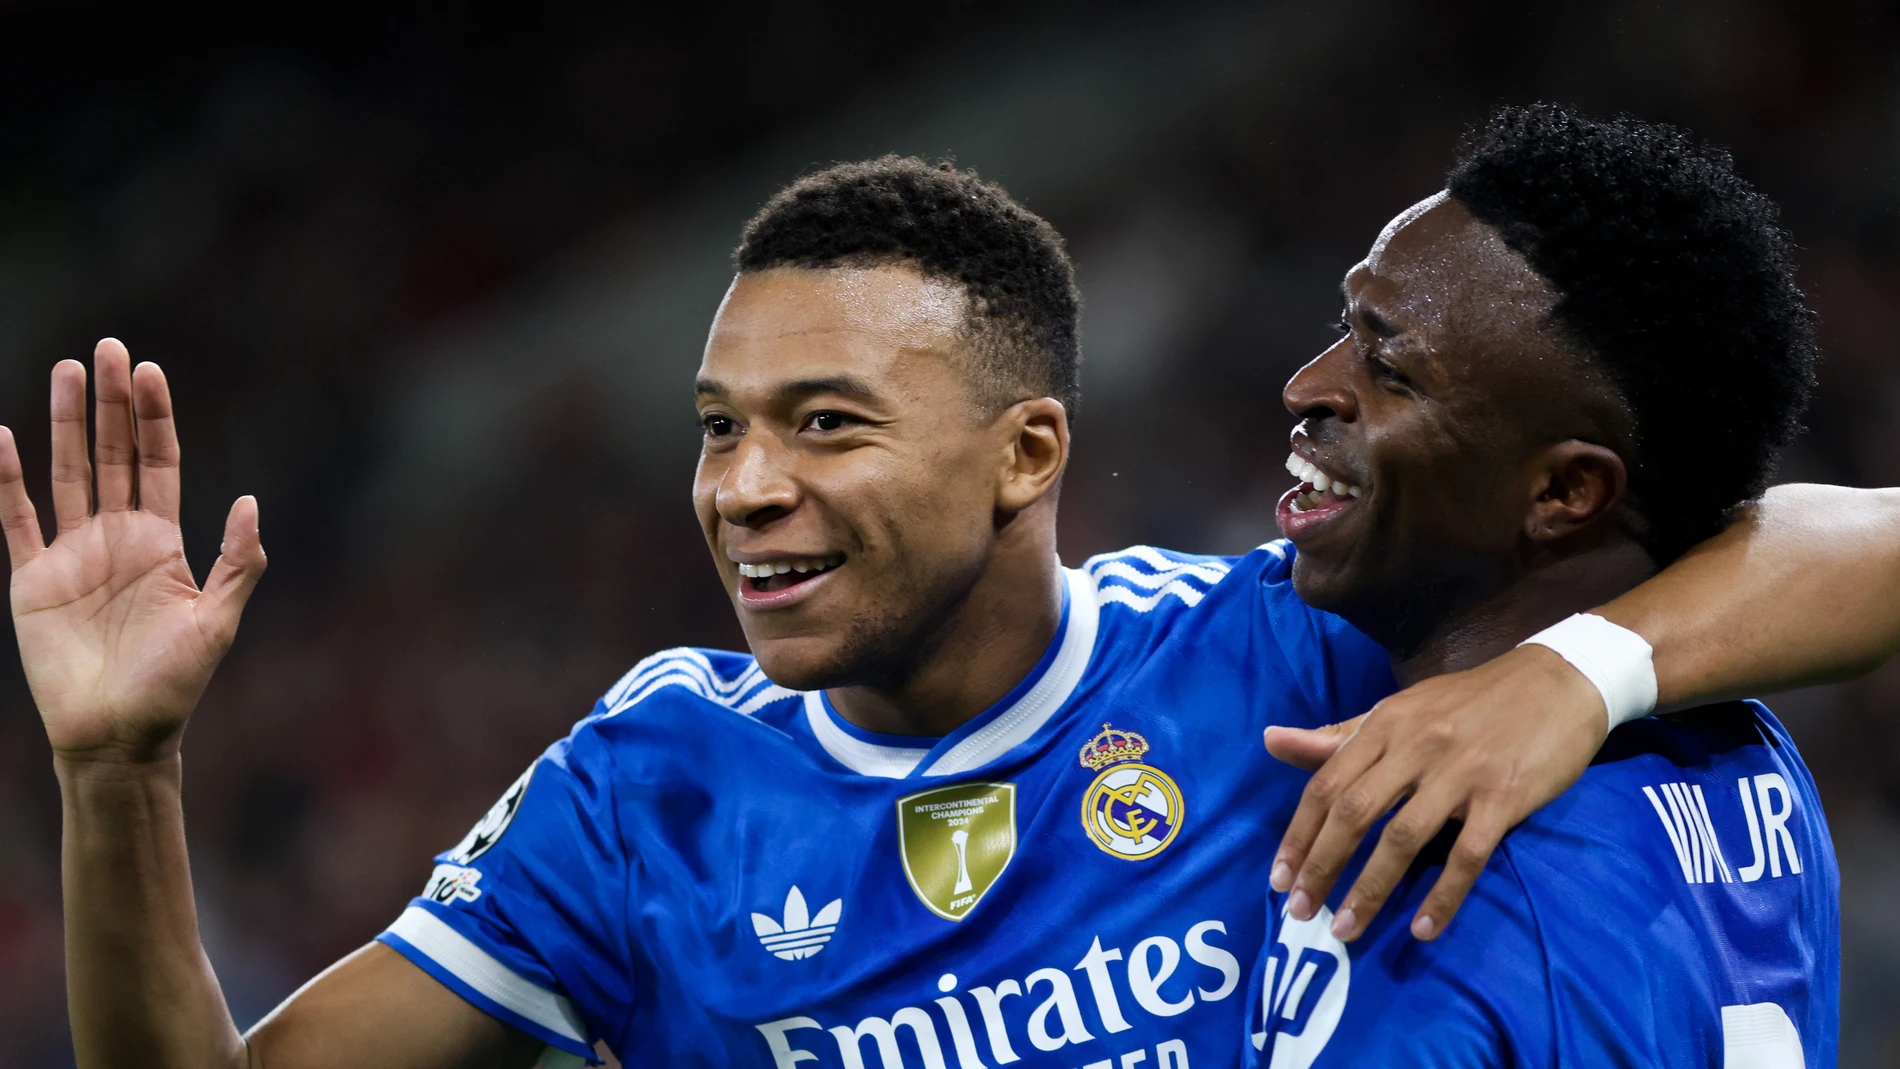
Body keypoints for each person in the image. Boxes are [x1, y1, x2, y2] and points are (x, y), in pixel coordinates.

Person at [4, 155, 1893, 1069]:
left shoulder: (1282, 657)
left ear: (1024, 451)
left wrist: (1569, 673)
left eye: (827, 425)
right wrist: (119, 771)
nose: (746, 485)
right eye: (720, 428)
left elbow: (1824, 532)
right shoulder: (645, 783)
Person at [1250, 105, 1843, 1066]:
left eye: (1389, 368)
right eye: (1343, 327)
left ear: (1566, 490)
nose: (1310, 387)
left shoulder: (1436, 895)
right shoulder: (1748, 748)